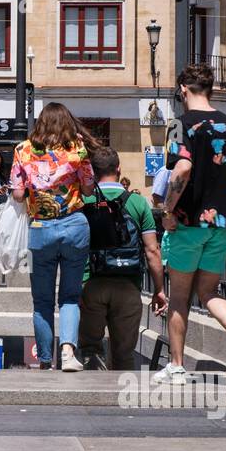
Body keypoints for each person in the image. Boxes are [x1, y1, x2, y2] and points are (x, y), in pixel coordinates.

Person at [156, 63, 226, 387]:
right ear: (210, 90)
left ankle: (176, 366)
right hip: (223, 224)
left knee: (180, 296)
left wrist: (167, 209)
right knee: (209, 290)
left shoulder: (179, 124)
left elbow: (182, 169)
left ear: (183, 90)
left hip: (188, 223)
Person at [10, 102, 97, 371]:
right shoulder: (76, 150)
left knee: (42, 300)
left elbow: (17, 194)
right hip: (75, 227)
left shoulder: (22, 150)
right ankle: (69, 352)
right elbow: (89, 187)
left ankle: (45, 359)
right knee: (70, 296)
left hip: (40, 232)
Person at [78, 145, 166, 370]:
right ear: (118, 169)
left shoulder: (84, 201)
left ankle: (93, 401)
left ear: (94, 171)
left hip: (91, 284)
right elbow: (152, 250)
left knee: (90, 353)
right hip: (128, 285)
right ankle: (119, 402)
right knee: (124, 355)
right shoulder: (137, 203)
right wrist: (159, 289)